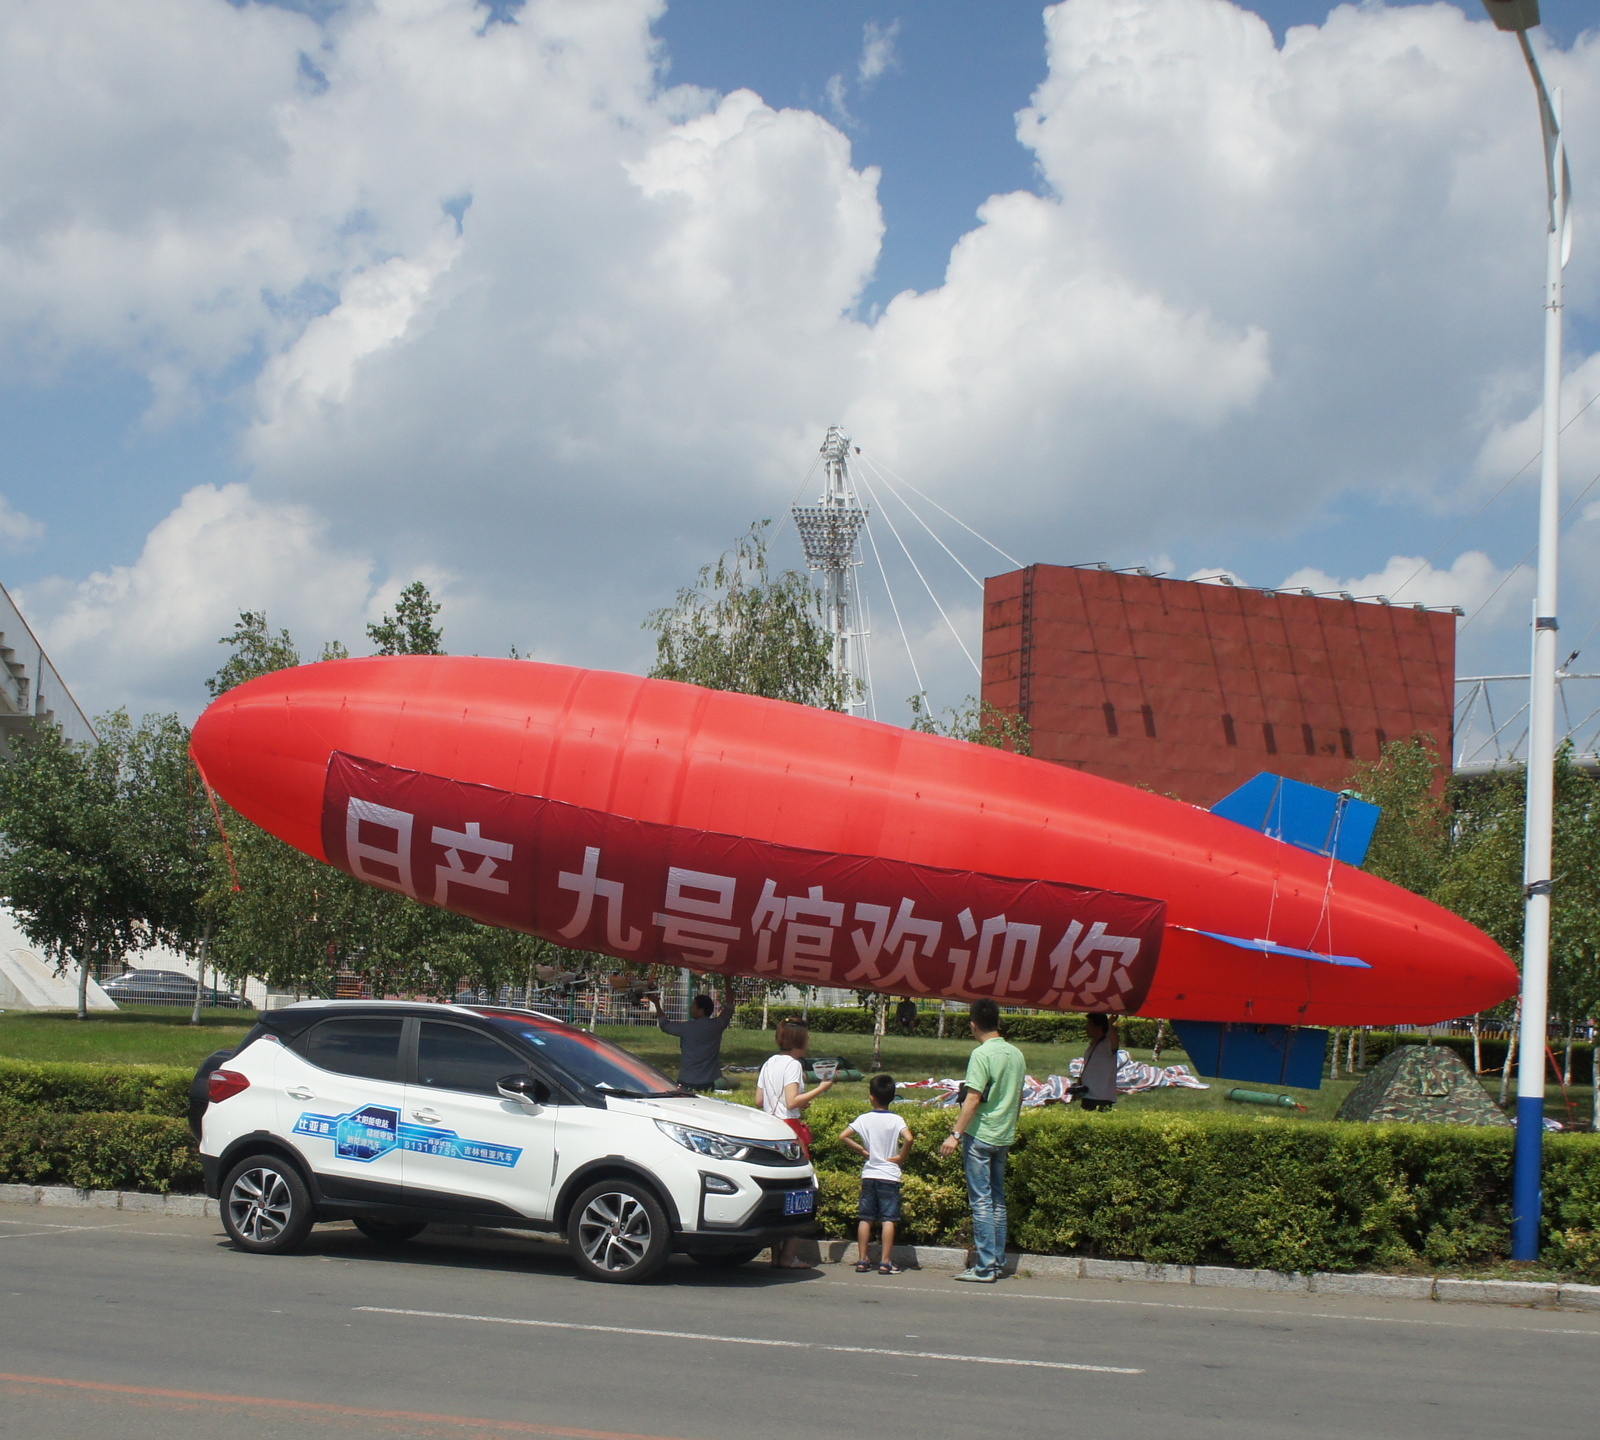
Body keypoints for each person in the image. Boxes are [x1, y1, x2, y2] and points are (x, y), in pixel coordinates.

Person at [938, 998, 1025, 1283]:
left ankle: (985, 1266)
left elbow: (973, 1098)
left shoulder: (981, 1054)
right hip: (1004, 1133)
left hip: (980, 1135)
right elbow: (1018, 1096)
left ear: (973, 1025)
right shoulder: (1016, 1054)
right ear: (998, 1022)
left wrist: (955, 1134)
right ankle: (996, 1262)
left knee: (981, 1201)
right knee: (997, 1199)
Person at [758, 1017, 836, 1269]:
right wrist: (822, 1088)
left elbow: (759, 1100)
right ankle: (789, 1256)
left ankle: (775, 1254)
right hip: (790, 1129)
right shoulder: (793, 1065)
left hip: (769, 1127)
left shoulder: (769, 1062)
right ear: (799, 1040)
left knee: (777, 1190)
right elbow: (791, 1101)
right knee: (799, 1192)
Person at [840, 1074, 914, 1274]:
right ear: (893, 1097)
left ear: (871, 1097)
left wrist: (862, 1150)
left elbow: (843, 1135)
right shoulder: (896, 1119)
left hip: (870, 1173)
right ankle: (885, 1261)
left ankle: (862, 1259)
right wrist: (901, 1157)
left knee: (866, 1218)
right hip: (889, 1174)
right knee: (888, 1218)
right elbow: (909, 1138)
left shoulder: (864, 1119)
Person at [645, 977, 734, 1091]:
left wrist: (657, 1004)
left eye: (694, 1006)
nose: (690, 1008)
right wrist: (727, 979)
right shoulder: (717, 1025)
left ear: (701, 1011)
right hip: (709, 1081)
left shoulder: (687, 1028)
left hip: (687, 1080)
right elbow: (730, 1006)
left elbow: (665, 1026)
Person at [1075, 1013, 1120, 1112]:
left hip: (1101, 1096)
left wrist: (1110, 1024)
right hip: (1088, 1094)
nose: (1086, 1028)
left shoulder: (1107, 1043)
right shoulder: (1092, 1045)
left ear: (1098, 1027)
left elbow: (1115, 1043)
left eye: (1089, 1024)